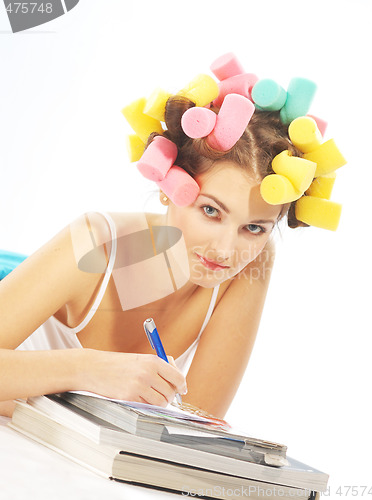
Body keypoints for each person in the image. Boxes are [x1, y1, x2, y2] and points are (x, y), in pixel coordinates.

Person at [0, 54, 345, 419]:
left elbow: (197, 427)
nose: (225, 251)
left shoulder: (253, 261)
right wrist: (87, 368)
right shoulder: (93, 242)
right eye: (210, 211)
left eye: (254, 227)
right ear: (169, 186)